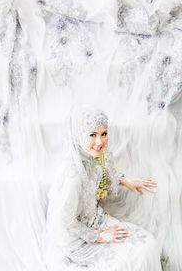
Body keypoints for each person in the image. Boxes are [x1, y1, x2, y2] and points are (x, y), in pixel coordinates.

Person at [44, 107, 162, 271]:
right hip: (78, 239)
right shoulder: (73, 178)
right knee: (126, 263)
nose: (100, 142)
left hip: (96, 219)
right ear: (79, 135)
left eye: (104, 134)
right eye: (92, 135)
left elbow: (101, 177)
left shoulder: (91, 157)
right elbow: (63, 222)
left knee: (147, 244)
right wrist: (99, 236)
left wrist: (127, 181)